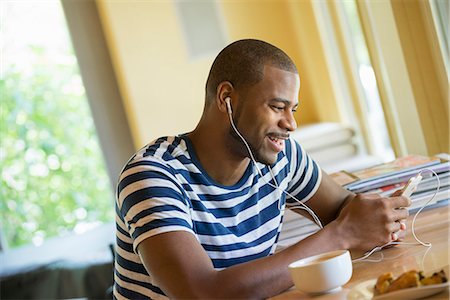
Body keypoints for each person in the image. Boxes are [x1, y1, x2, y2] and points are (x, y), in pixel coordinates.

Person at [113, 39, 410, 299]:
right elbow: (203, 292)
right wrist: (342, 235)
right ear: (226, 98)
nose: (291, 124)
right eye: (277, 107)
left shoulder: (281, 157)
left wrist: (377, 217)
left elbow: (345, 210)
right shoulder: (152, 175)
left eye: (292, 110)